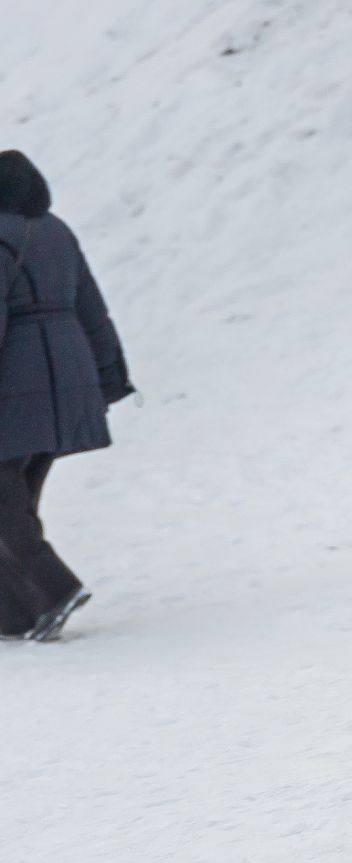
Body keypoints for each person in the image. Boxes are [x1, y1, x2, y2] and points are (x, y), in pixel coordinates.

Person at [0, 150, 132, 641]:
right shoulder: (56, 231)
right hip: (67, 378)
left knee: (5, 504)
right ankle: (18, 614)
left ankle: (54, 589)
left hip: (17, 383)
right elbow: (91, 306)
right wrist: (109, 376)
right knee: (18, 501)